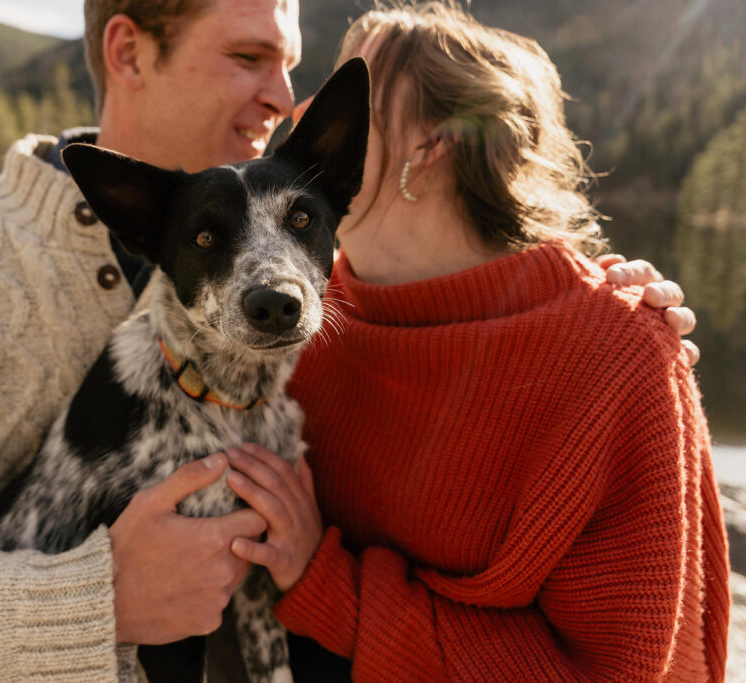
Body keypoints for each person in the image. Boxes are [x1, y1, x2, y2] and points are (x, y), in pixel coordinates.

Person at [0, 0, 699, 680]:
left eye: (293, 64)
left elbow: (479, 277)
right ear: (128, 50)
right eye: (251, 58)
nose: (285, 100)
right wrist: (93, 603)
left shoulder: (326, 280)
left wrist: (599, 305)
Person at [217, 3, 730, 681]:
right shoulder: (297, 317)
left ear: (437, 144)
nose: (304, 107)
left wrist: (330, 585)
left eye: (352, 88)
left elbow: (613, 670)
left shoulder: (615, 360)